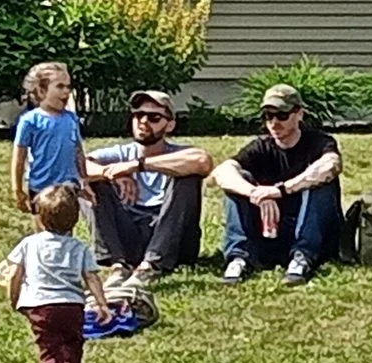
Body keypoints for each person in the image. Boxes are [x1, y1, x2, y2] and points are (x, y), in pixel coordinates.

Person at [3, 183, 113, 363]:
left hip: (40, 307)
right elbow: (91, 277)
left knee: (50, 353)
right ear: (74, 220)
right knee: (73, 344)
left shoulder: (29, 244)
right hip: (72, 306)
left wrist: (14, 298)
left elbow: (14, 275)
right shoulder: (79, 248)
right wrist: (102, 304)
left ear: (40, 219)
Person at [213, 84, 342, 287]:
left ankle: (302, 258)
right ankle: (238, 258)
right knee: (238, 180)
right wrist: (256, 193)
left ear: (299, 114)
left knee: (319, 182)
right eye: (268, 116)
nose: (274, 123)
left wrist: (280, 190)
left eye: (282, 115)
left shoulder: (319, 143)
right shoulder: (261, 147)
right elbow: (222, 172)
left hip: (311, 232)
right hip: (270, 231)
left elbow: (331, 165)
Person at [81, 89, 211, 284]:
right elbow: (78, 166)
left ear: (170, 125)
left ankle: (151, 266)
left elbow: (202, 161)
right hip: (130, 236)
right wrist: (110, 174)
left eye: (153, 117)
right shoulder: (120, 153)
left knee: (188, 178)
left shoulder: (179, 153)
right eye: (138, 115)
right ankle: (118, 265)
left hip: (173, 241)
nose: (143, 121)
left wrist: (138, 165)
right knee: (89, 183)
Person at [9, 62, 84, 219]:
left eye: (68, 87)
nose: (66, 91)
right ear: (41, 91)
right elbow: (19, 157)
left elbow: (78, 151)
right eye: (60, 86)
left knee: (65, 226)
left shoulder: (71, 119)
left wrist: (84, 180)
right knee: (44, 228)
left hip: (68, 186)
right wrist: (18, 189)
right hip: (41, 187)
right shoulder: (30, 121)